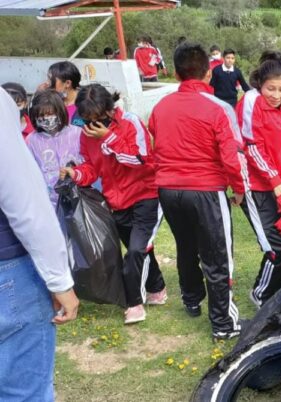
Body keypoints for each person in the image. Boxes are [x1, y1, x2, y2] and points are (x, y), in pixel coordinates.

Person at [148, 42, 247, 340]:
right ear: (208, 72)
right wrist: (240, 188)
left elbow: (157, 142)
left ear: (177, 74)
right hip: (205, 189)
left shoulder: (160, 107)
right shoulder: (219, 108)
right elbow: (232, 155)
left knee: (186, 246)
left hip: (168, 190)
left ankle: (191, 300)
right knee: (218, 256)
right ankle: (223, 322)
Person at [60, 84, 167, 325]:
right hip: (117, 201)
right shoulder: (88, 135)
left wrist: (108, 138)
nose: (93, 124)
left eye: (98, 118)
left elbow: (141, 160)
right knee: (141, 249)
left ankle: (134, 304)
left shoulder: (130, 123)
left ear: (110, 109)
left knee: (136, 251)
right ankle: (157, 289)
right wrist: (75, 173)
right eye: (87, 120)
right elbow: (92, 168)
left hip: (145, 195)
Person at [0, 87, 79, 401]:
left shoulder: (73, 134)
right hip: (9, 268)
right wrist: (58, 278)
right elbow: (24, 200)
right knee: (24, 393)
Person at [235, 51, 281, 306]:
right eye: (270, 89)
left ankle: (279, 293)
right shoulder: (249, 102)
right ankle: (261, 296)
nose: (276, 95)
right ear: (259, 83)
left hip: (279, 184)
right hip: (256, 186)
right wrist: (277, 182)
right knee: (276, 248)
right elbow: (251, 148)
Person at [25, 90, 83, 207]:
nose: (46, 118)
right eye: (41, 116)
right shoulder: (32, 140)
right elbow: (29, 173)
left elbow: (89, 164)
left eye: (50, 114)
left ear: (60, 112)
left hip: (78, 198)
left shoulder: (77, 133)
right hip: (48, 203)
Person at [45, 61, 85, 127]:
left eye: (51, 80)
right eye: (48, 79)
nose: (47, 83)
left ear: (67, 83)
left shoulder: (86, 104)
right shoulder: (50, 102)